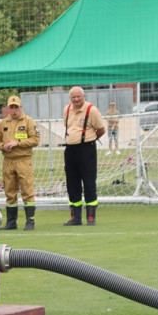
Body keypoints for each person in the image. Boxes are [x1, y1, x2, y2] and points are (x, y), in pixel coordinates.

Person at [0, 95, 41, 230]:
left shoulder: (28, 122)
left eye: (16, 107)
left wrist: (17, 143)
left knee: (27, 189)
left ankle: (30, 221)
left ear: (21, 107)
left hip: (23, 160)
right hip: (8, 161)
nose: (14, 110)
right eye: (11, 107)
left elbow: (36, 140)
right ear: (8, 109)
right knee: (10, 191)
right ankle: (11, 222)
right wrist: (3, 146)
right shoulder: (3, 123)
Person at [63, 86, 107, 226]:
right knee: (72, 183)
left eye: (78, 97)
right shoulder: (67, 109)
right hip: (70, 150)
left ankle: (90, 216)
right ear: (70, 98)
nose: (76, 99)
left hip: (86, 149)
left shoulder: (91, 110)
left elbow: (101, 130)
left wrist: (88, 139)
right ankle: (75, 217)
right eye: (73, 97)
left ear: (84, 96)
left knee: (89, 182)